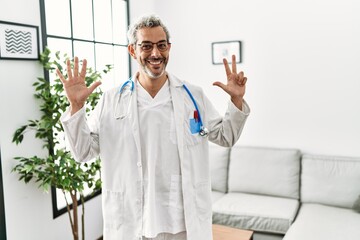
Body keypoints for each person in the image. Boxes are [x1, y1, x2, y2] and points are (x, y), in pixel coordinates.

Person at [58, 14, 250, 240]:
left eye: (161, 45)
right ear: (132, 50)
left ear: (169, 48)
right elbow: (83, 151)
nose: (156, 54)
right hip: (132, 222)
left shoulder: (192, 95)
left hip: (182, 223)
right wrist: (75, 107)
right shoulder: (111, 100)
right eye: (146, 46)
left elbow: (225, 136)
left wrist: (236, 101)